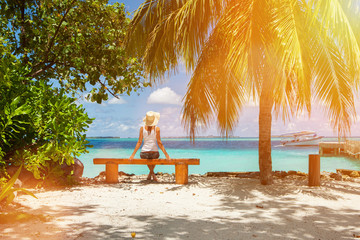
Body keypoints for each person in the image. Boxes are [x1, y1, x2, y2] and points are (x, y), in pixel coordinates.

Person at [129, 111, 171, 181]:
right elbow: (159, 143)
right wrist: (167, 155)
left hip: (144, 153)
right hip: (155, 153)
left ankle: (151, 173)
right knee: (154, 157)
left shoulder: (142, 128)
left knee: (148, 158)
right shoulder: (157, 129)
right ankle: (153, 174)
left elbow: (139, 142)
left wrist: (132, 155)